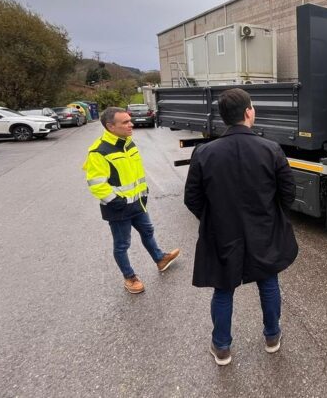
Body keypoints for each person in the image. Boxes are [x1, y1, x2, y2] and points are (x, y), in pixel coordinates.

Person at [184, 88, 298, 366]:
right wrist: (271, 217)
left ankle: (222, 347)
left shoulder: (204, 152)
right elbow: (288, 194)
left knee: (223, 289)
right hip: (263, 230)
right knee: (268, 282)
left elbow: (192, 198)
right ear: (248, 112)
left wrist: (214, 219)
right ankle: (272, 337)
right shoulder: (271, 149)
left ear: (224, 117)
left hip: (222, 232)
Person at [83, 107, 180, 294]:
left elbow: (135, 173)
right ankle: (130, 277)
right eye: (125, 122)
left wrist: (143, 191)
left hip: (138, 203)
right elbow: (96, 184)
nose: (131, 124)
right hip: (118, 208)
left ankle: (160, 259)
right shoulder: (98, 151)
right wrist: (116, 201)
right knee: (122, 245)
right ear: (111, 126)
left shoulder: (128, 143)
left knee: (148, 231)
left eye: (130, 120)